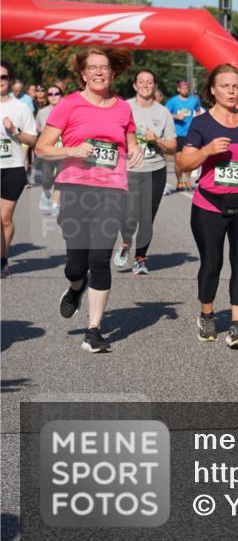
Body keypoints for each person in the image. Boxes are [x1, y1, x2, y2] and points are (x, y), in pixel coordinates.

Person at [34, 47, 143, 352]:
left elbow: (131, 143)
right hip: (75, 189)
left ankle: (93, 329)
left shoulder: (123, 108)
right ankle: (75, 287)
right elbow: (42, 148)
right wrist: (72, 150)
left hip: (112, 189)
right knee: (76, 265)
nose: (98, 72)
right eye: (92, 67)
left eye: (104, 67)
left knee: (100, 260)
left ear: (112, 73)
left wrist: (135, 151)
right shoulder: (69, 105)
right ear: (82, 74)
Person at [177, 64, 238, 348]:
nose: (231, 91)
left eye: (235, 86)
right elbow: (182, 164)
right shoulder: (201, 124)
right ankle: (207, 314)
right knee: (212, 263)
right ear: (213, 90)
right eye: (225, 86)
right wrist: (206, 151)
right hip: (209, 206)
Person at [114, 69, 176, 274]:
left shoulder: (163, 112)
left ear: (154, 86)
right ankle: (125, 244)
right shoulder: (123, 108)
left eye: (150, 82)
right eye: (141, 81)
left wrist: (156, 140)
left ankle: (140, 259)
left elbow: (173, 146)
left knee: (147, 217)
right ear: (134, 85)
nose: (146, 85)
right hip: (130, 169)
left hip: (155, 169)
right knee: (130, 215)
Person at [1, 61, 39, 277]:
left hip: (12, 168)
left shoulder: (20, 108)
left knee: (4, 219)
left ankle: (2, 256)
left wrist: (14, 130)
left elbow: (33, 140)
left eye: (3, 77)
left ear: (10, 81)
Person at [166, 79, 201, 191]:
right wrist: (176, 116)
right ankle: (179, 180)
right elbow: (165, 113)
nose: (185, 90)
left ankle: (187, 179)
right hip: (177, 134)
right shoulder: (173, 101)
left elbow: (198, 109)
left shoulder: (193, 100)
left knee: (190, 158)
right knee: (179, 160)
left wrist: (197, 120)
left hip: (190, 133)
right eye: (183, 88)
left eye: (187, 88)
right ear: (178, 89)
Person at [35, 84, 64, 215]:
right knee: (47, 179)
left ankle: (55, 204)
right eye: (50, 94)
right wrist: (41, 130)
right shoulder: (42, 113)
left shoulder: (67, 110)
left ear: (61, 96)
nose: (53, 96)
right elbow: (37, 128)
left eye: (56, 94)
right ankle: (46, 194)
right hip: (48, 151)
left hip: (63, 150)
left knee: (60, 178)